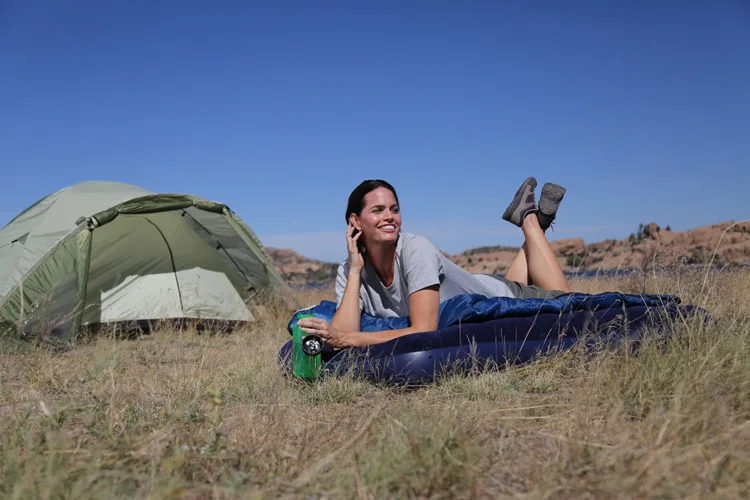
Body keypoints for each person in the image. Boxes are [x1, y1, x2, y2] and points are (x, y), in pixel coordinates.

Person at [297, 177, 572, 348]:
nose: (389, 217)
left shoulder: (415, 249)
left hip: (500, 296)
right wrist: (356, 269)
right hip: (481, 286)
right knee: (505, 283)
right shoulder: (349, 269)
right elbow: (343, 333)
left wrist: (351, 340)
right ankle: (538, 226)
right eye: (377, 210)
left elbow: (423, 330)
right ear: (355, 221)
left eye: (394, 209)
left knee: (565, 299)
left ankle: (530, 222)